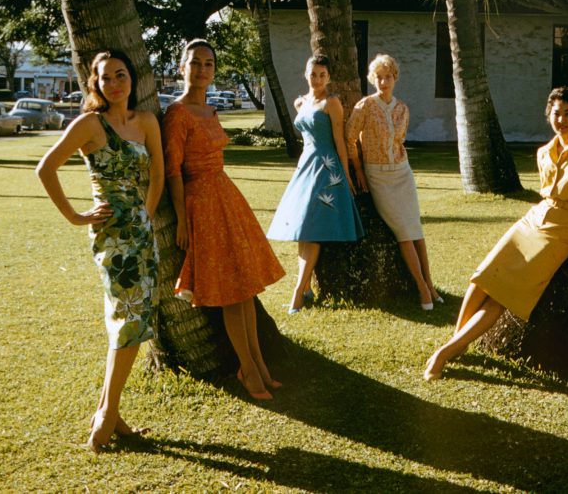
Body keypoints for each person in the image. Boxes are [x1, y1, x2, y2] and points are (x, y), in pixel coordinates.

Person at [424, 87, 568, 380]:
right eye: (556, 113)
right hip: (531, 221)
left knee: (501, 297)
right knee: (481, 279)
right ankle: (458, 343)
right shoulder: (543, 152)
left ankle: (444, 353)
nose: (562, 119)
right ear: (549, 116)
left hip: (561, 232)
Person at [35, 50, 163, 453]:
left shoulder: (145, 122)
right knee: (128, 321)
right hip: (111, 238)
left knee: (133, 319)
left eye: (120, 75)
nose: (114, 83)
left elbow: (158, 170)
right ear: (96, 84)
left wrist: (146, 212)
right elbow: (45, 168)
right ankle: (105, 418)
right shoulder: (90, 124)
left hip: (141, 234)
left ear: (132, 79)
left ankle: (112, 412)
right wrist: (76, 216)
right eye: (105, 78)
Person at [162, 40, 286, 401]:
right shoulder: (177, 113)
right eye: (196, 63)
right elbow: (172, 171)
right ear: (182, 66)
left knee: (245, 289)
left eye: (209, 64)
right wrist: (183, 221)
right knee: (232, 292)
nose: (202, 70)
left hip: (227, 199)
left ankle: (258, 364)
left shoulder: (211, 110)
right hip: (201, 203)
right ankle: (247, 369)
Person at [267, 54, 364, 313]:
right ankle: (307, 287)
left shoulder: (331, 103)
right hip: (305, 167)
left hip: (327, 169)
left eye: (322, 75)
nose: (317, 79)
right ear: (306, 74)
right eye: (313, 74)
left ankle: (298, 292)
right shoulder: (300, 102)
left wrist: (345, 175)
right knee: (303, 229)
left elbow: (340, 141)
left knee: (312, 227)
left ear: (328, 77)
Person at [346, 54, 440, 309]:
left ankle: (430, 284)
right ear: (372, 79)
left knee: (416, 230)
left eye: (388, 77)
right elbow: (349, 139)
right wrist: (360, 170)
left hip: (402, 172)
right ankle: (421, 289)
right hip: (377, 174)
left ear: (395, 78)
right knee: (403, 232)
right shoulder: (364, 105)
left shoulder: (402, 109)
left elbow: (399, 142)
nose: (383, 81)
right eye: (378, 77)